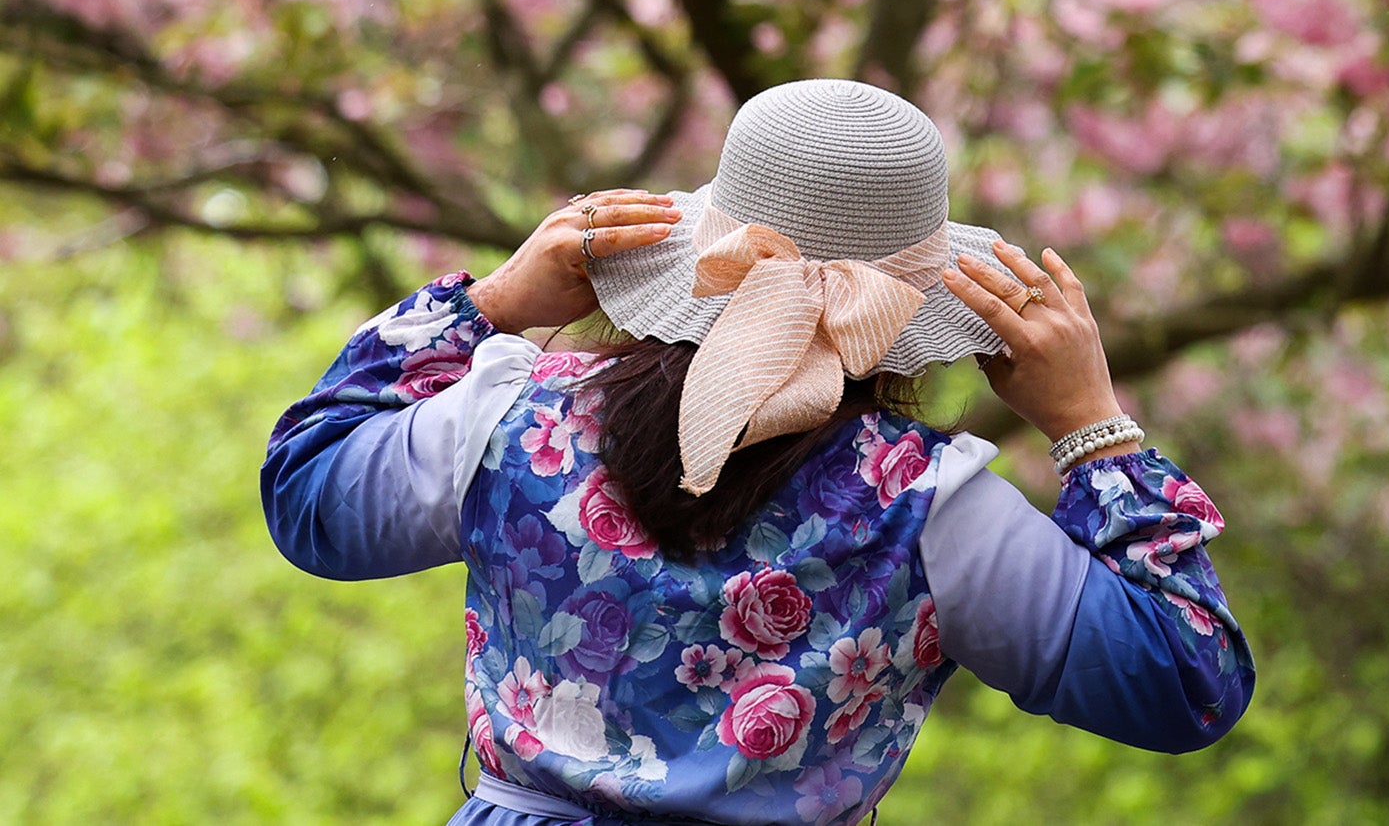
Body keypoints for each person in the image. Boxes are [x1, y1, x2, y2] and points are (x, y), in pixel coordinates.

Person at [261, 77, 1254, 825]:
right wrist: (1091, 424)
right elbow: (1182, 680)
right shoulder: (931, 510)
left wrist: (488, 307)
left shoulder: (512, 420)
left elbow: (310, 500)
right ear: (911, 307)